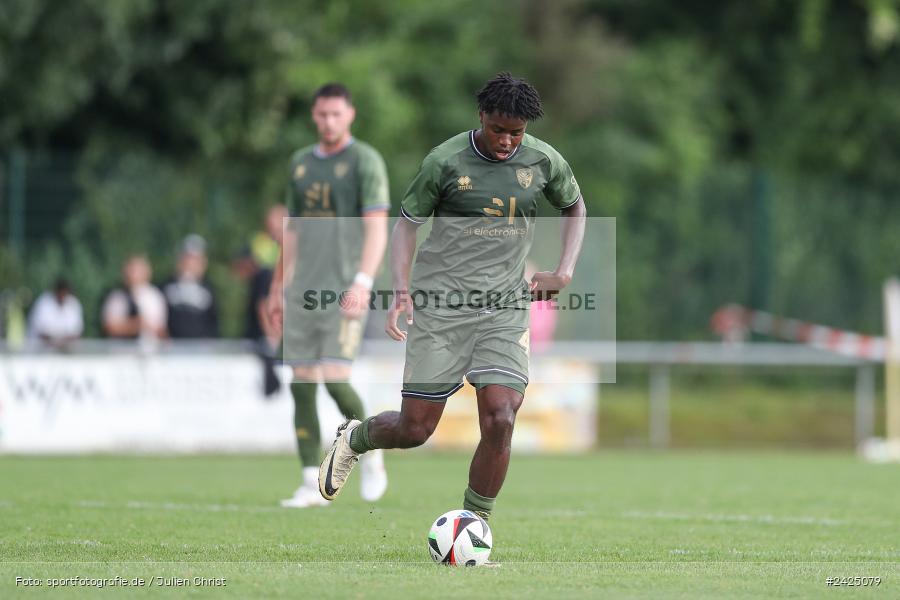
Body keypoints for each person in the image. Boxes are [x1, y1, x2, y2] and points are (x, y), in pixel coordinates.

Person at [317, 73, 587, 522]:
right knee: (415, 429)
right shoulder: (444, 161)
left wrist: (564, 271)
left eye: (515, 133)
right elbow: (406, 225)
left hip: (504, 307)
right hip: (441, 309)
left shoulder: (543, 160)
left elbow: (575, 205)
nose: (506, 141)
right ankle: (356, 438)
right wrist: (401, 289)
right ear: (481, 117)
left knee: (501, 416)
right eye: (498, 129)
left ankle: (473, 523)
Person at [267, 82, 390, 508]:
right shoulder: (300, 164)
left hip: (344, 290)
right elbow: (293, 232)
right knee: (301, 382)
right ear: (313, 116)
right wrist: (276, 288)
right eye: (322, 115)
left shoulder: (364, 161)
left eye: (336, 114)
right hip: (302, 292)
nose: (328, 122)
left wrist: (363, 282)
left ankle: (369, 450)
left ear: (350, 115)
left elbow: (377, 226)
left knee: (335, 377)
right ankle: (309, 482)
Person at [162, 235, 220, 339]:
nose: (190, 263)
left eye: (195, 259)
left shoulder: (209, 288)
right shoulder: (166, 286)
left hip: (200, 349)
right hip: (171, 349)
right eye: (187, 258)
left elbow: (214, 321)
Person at [101, 255, 168, 341]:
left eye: (137, 271)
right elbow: (109, 327)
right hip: (120, 351)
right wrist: (136, 325)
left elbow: (161, 329)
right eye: (131, 270)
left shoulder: (155, 296)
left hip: (150, 351)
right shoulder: (116, 297)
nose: (133, 275)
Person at [27, 278, 83, 351]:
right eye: (61, 293)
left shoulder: (73, 304)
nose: (63, 297)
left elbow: (76, 333)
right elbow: (40, 332)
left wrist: (60, 343)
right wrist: (57, 342)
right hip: (40, 353)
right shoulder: (44, 303)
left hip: (65, 353)